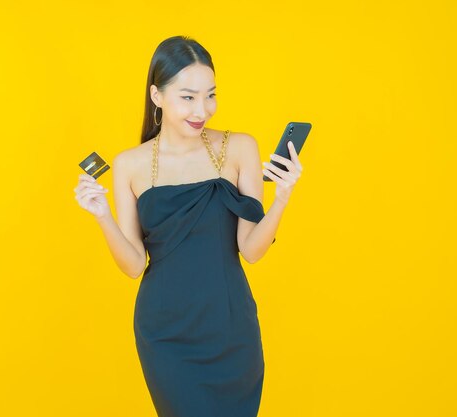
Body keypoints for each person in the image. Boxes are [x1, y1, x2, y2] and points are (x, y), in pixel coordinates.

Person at [74, 35, 303, 417]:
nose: (203, 109)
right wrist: (102, 215)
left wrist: (281, 197)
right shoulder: (130, 164)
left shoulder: (241, 148)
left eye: (210, 95)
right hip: (166, 334)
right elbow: (132, 266)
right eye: (188, 97)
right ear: (157, 96)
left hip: (231, 330)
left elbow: (252, 249)